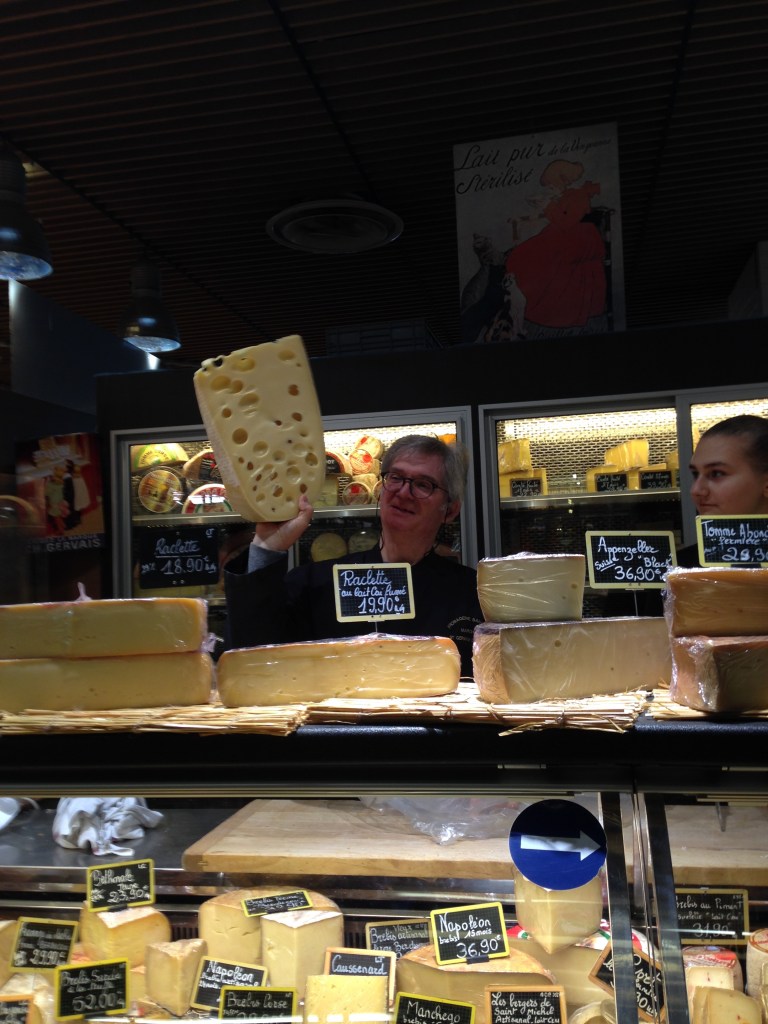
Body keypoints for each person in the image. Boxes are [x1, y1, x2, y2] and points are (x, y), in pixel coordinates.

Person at [224, 434, 483, 676]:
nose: (404, 492)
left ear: (450, 511)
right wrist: (267, 547)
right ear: (381, 490)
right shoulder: (314, 584)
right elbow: (252, 662)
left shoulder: (474, 592)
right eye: (395, 478)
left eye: (423, 484)